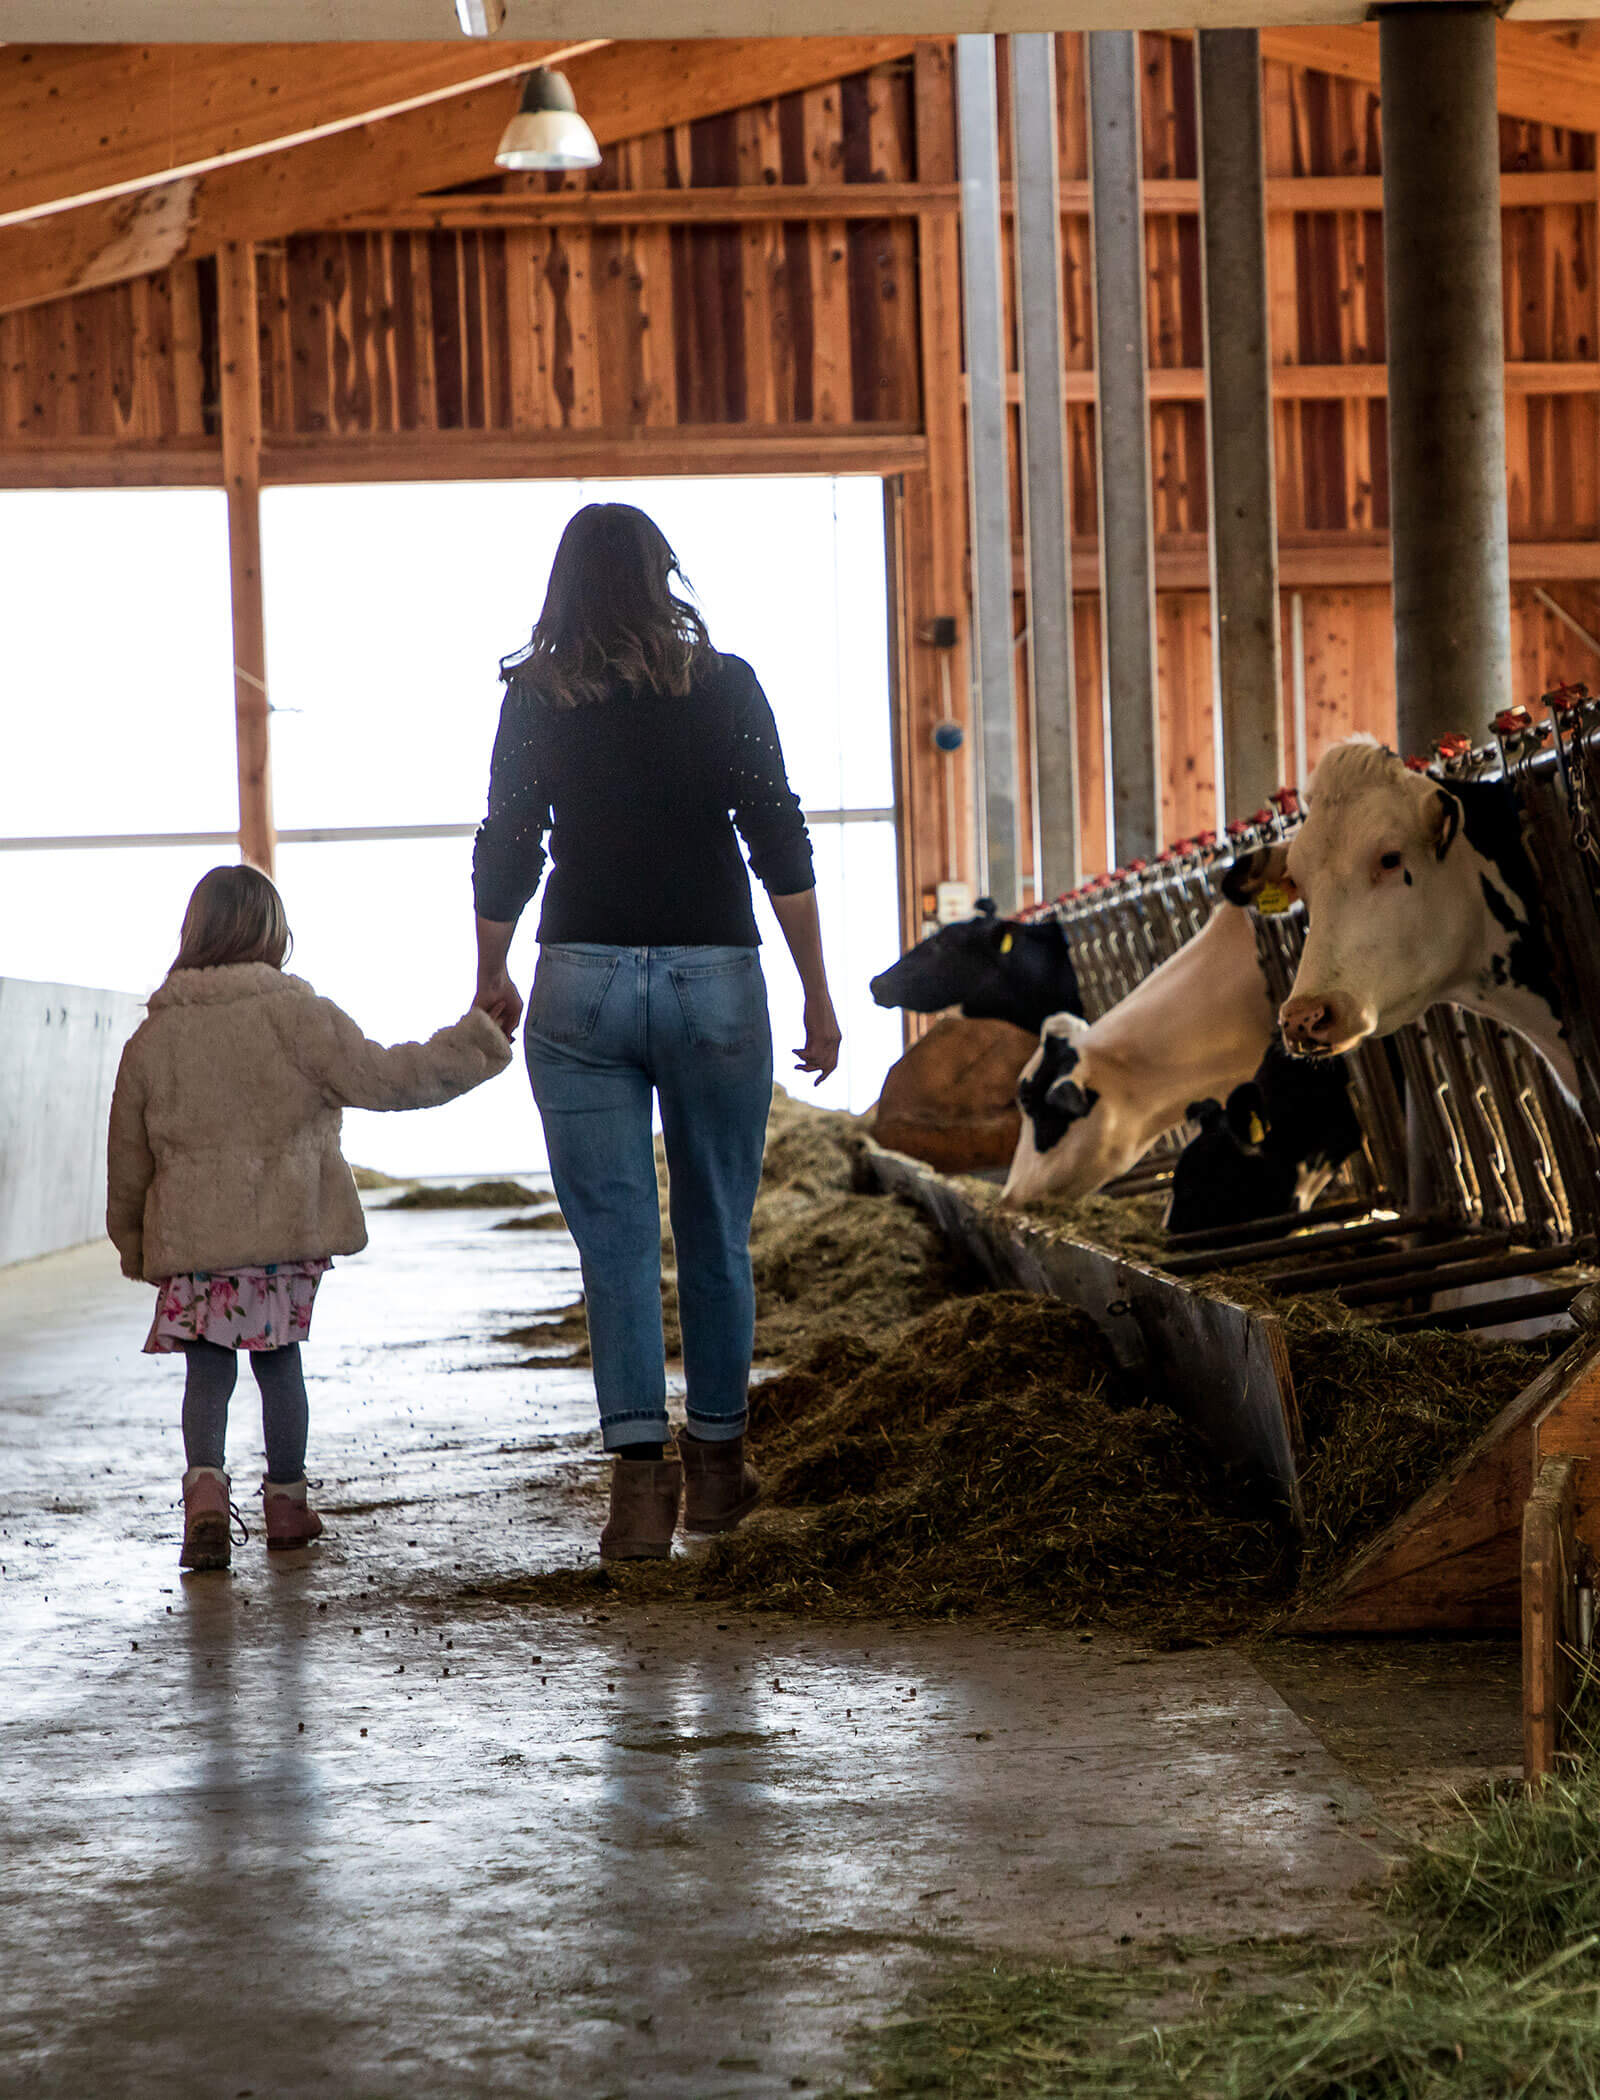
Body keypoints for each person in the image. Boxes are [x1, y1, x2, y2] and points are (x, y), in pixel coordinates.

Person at [472, 502, 841, 1563]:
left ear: (564, 587)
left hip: (580, 978)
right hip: (714, 978)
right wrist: (816, 991)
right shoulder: (724, 684)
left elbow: (509, 835)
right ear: (661, 574)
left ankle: (639, 1494)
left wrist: (490, 968)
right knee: (718, 1233)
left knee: (616, 1247)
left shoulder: (536, 698)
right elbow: (780, 835)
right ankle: (717, 1475)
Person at [107, 864, 511, 1572]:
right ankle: (287, 1506)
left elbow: (127, 1157)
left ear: (193, 930)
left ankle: (204, 1503)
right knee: (279, 1365)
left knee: (207, 1375)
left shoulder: (154, 1037)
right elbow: (391, 1079)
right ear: (273, 932)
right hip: (280, 1235)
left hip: (194, 1241)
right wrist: (478, 1041)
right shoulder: (298, 1017)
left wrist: (135, 1243)